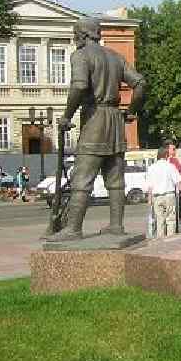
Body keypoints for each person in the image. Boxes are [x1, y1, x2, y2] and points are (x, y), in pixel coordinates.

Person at [45, 17, 146, 241]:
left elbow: (80, 85)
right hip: (115, 121)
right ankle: (116, 225)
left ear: (82, 35)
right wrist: (130, 111)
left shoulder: (81, 55)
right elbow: (140, 83)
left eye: (75, 35)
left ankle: (73, 229)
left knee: (82, 178)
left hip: (94, 120)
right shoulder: (115, 57)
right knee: (116, 180)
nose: (75, 39)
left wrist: (67, 116)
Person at [146, 146, 181, 238]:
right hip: (169, 195)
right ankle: (170, 239)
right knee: (170, 219)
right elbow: (178, 181)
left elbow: (150, 185)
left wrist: (149, 198)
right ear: (166, 155)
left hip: (157, 196)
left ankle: (160, 239)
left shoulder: (151, 168)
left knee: (159, 219)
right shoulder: (170, 166)